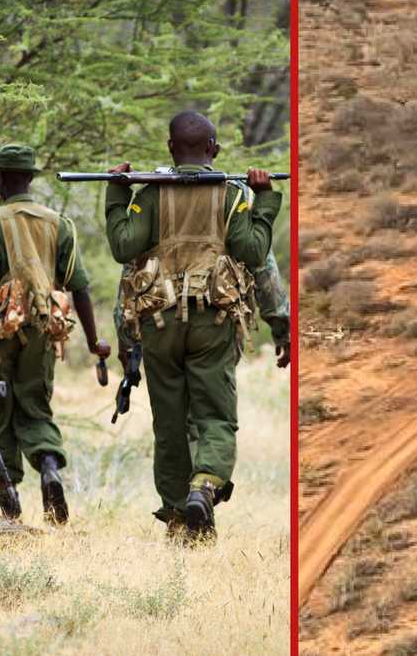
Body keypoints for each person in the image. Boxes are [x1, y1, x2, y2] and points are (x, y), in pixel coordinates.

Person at [104, 110, 283, 542]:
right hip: (214, 322)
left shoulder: (148, 196)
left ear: (169, 149)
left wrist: (115, 194)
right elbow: (255, 255)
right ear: (214, 150)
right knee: (215, 420)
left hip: (160, 324)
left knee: (170, 428)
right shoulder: (232, 196)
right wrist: (266, 201)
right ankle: (205, 486)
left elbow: (126, 252)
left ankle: (180, 520)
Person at [0, 144, 110, 525]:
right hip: (44, 327)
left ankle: (8, 489)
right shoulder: (59, 222)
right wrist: (94, 343)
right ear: (29, 178)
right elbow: (79, 287)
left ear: (0, 179)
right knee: (36, 404)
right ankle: (48, 466)